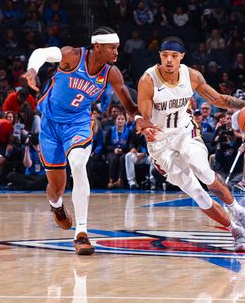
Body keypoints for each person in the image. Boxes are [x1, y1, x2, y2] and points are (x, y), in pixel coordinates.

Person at [23, 26, 155, 255]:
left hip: (79, 123)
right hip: (50, 126)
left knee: (77, 164)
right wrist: (32, 70)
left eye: (117, 48)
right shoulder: (72, 56)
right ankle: (56, 207)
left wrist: (144, 117)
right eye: (112, 48)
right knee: (56, 188)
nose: (116, 52)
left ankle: (81, 233)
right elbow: (42, 53)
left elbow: (129, 106)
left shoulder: (111, 73)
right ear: (97, 46)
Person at [134, 36, 245, 252]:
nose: (169, 60)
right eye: (165, 55)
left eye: (173, 56)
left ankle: (239, 211)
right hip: (160, 144)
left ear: (181, 57)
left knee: (202, 168)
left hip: (185, 133)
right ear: (160, 56)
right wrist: (146, 126)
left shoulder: (191, 75)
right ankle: (235, 231)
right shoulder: (148, 80)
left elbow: (219, 100)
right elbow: (144, 113)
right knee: (197, 193)